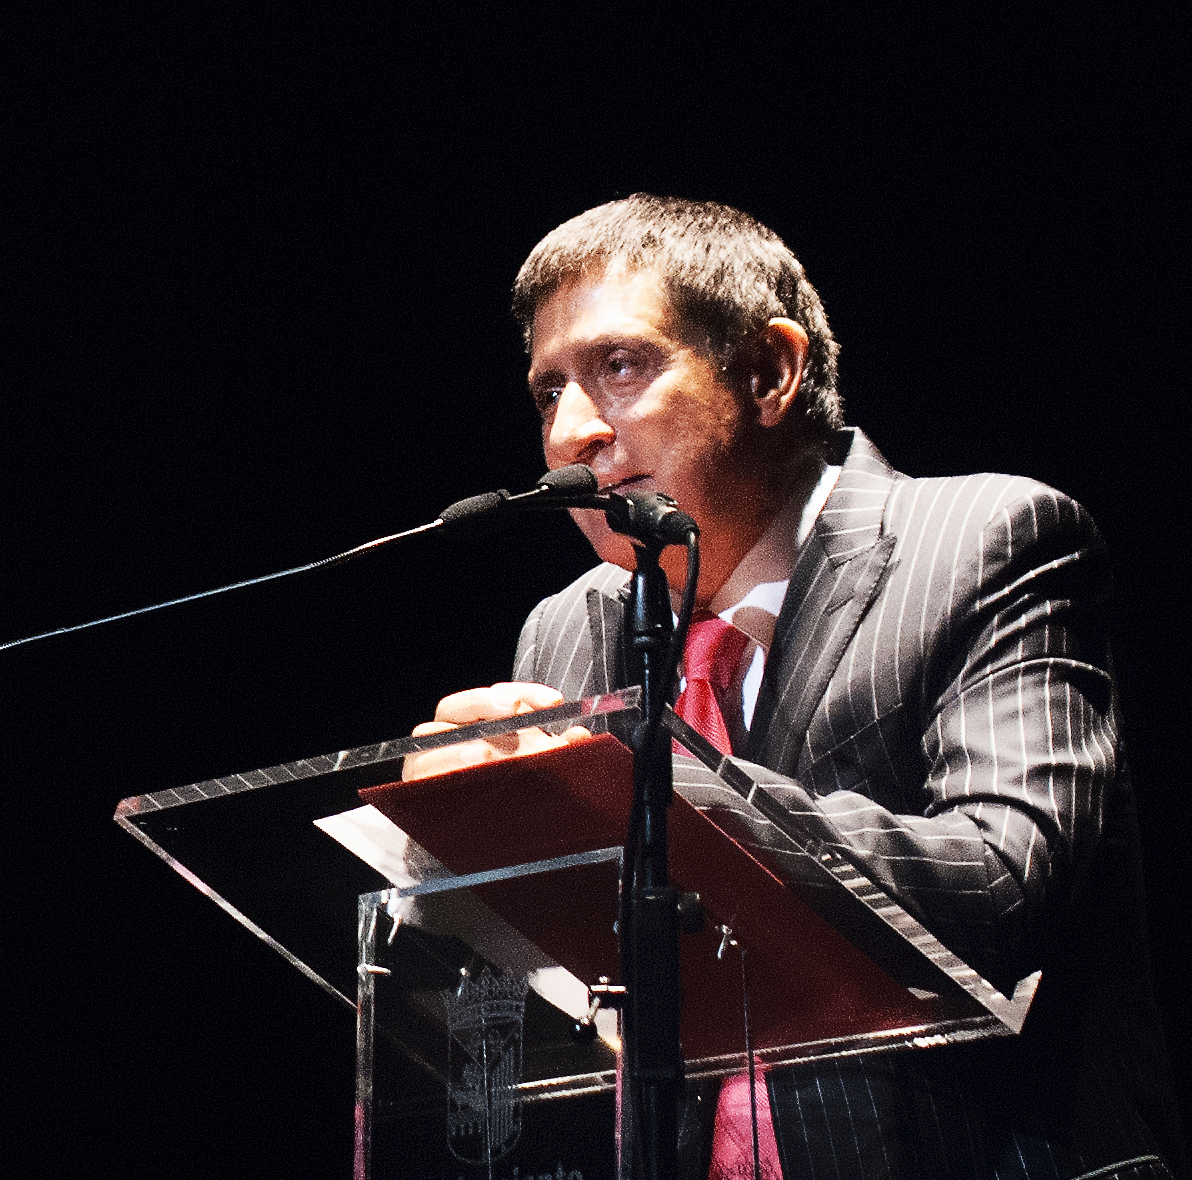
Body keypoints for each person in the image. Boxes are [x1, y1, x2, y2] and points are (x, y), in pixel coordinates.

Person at [409, 195, 1184, 1180]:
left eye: (618, 366)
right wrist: (452, 866)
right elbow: (566, 998)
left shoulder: (986, 542)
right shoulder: (566, 628)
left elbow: (1003, 878)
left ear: (770, 371)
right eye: (546, 392)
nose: (570, 432)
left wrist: (645, 781)